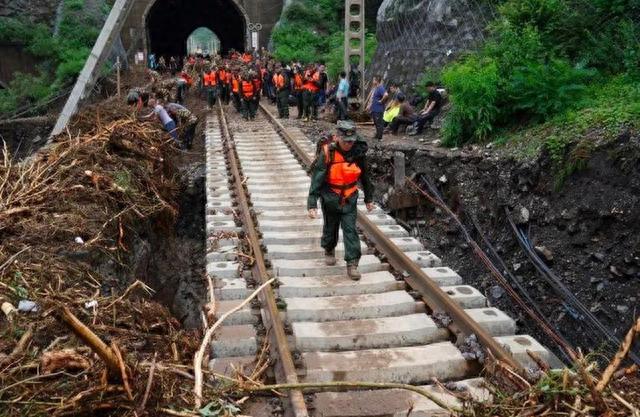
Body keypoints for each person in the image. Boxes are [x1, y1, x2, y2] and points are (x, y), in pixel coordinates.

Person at [307, 120, 375, 280]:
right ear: (337, 137)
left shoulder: (358, 152)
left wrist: (369, 198)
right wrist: (312, 203)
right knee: (331, 227)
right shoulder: (327, 152)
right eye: (345, 141)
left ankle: (352, 264)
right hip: (330, 196)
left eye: (351, 141)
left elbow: (365, 176)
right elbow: (317, 178)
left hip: (349, 197)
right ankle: (329, 248)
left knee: (350, 230)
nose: (348, 144)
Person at [367, 75, 387, 140]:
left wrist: (381, 101)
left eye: (373, 80)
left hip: (379, 109)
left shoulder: (381, 88)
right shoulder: (377, 88)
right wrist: (370, 106)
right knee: (376, 123)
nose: (372, 81)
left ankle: (379, 138)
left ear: (376, 81)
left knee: (379, 124)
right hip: (375, 109)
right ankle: (377, 135)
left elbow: (386, 95)